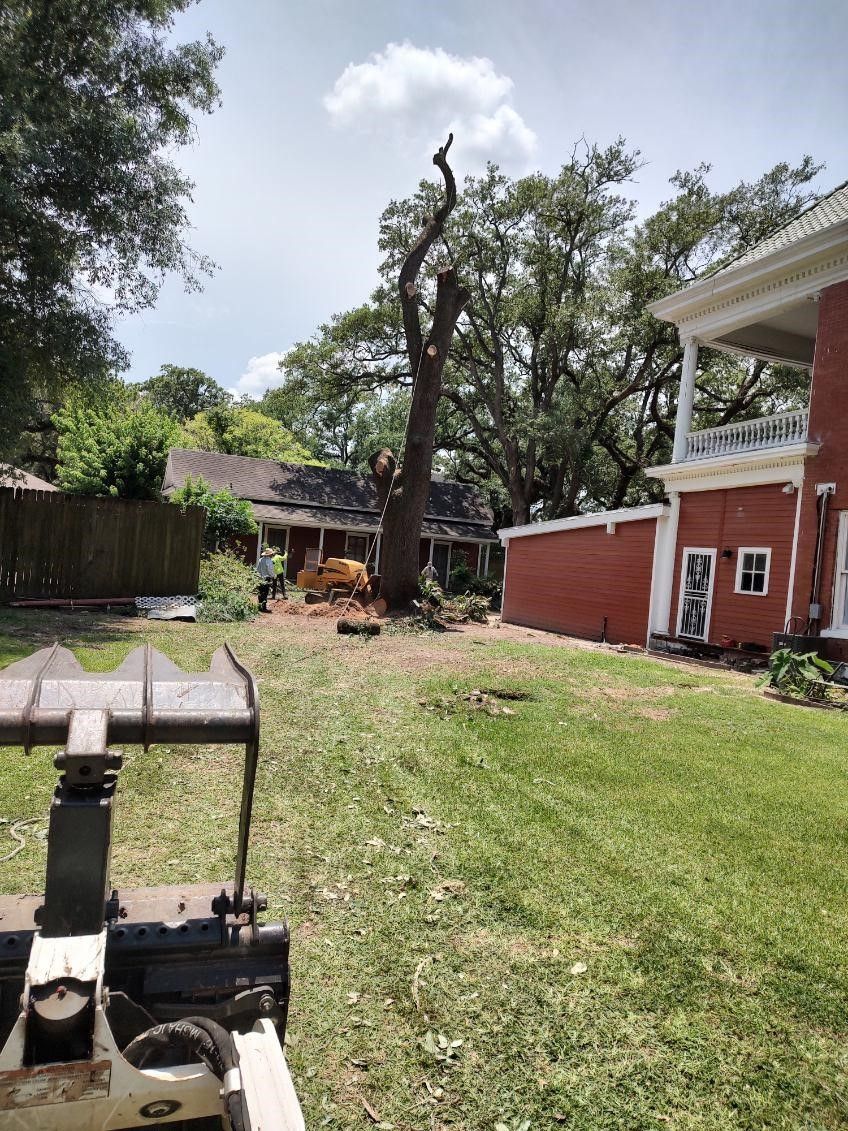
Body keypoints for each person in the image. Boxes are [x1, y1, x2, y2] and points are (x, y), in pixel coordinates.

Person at [257, 547, 275, 612]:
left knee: (260, 592)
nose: (272, 555)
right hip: (266, 578)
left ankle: (259, 606)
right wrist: (273, 576)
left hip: (260, 578)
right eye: (271, 554)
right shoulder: (269, 561)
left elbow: (258, 570)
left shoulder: (260, 560)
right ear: (269, 555)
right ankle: (264, 608)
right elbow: (270, 570)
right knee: (265, 593)